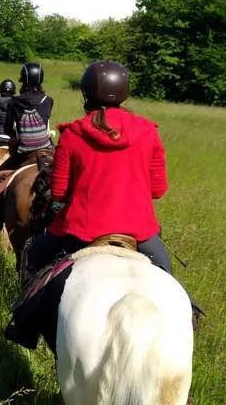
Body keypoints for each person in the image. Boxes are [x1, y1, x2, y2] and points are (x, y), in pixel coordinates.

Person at [23, 60, 172, 279]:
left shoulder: (72, 134)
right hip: (138, 230)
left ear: (86, 93)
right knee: (168, 280)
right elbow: (158, 190)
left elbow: (59, 193)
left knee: (33, 257)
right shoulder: (149, 132)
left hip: (80, 230)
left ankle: (24, 310)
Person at [0, 62, 54, 173]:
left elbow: (7, 129)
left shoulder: (13, 102)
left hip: (23, 152)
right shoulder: (48, 100)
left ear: (22, 80)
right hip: (45, 148)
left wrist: (17, 137)